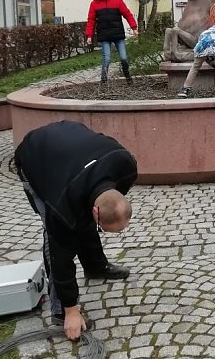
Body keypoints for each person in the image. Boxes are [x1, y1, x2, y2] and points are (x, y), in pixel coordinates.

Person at [13, 121, 137, 340]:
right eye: (103, 228)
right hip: (34, 155)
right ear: (96, 213)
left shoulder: (125, 166)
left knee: (79, 215)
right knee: (58, 235)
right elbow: (60, 257)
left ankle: (95, 266)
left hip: (69, 140)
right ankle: (60, 310)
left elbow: (101, 200)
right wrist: (72, 309)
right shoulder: (61, 205)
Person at [86, 0, 138, 84]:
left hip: (118, 35)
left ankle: (128, 77)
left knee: (123, 58)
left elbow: (127, 14)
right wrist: (89, 35)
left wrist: (134, 27)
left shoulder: (118, 2)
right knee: (107, 59)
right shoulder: (94, 4)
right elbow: (91, 20)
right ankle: (104, 81)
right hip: (104, 36)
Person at [176, 4, 215, 98]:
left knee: (195, 67)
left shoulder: (205, 33)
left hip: (201, 47)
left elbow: (203, 48)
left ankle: (185, 89)